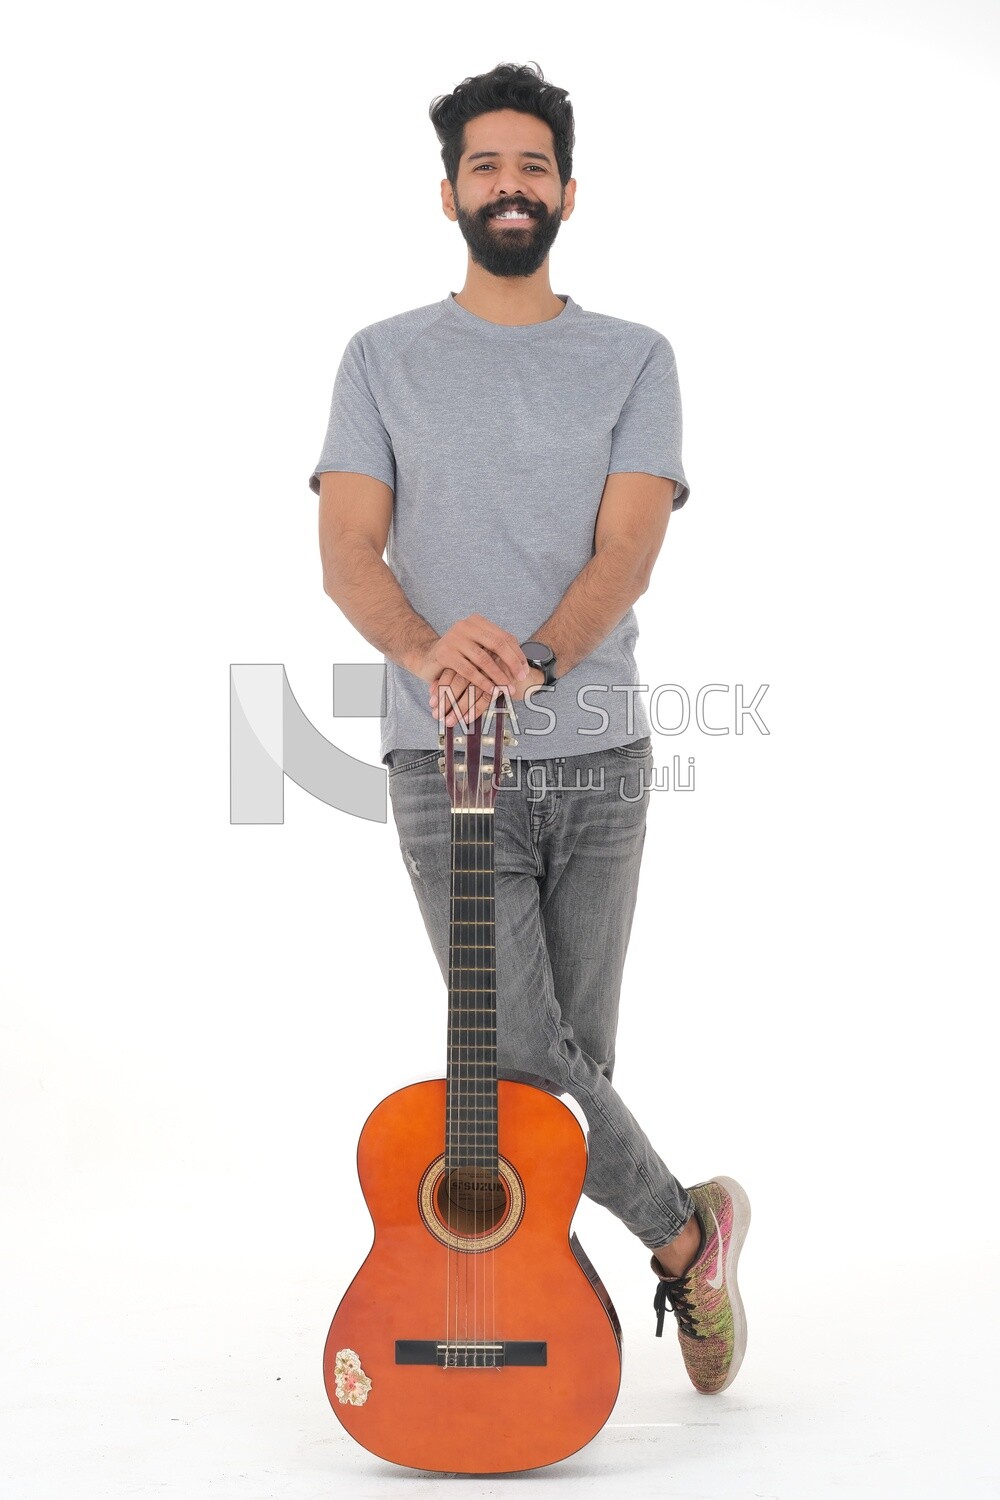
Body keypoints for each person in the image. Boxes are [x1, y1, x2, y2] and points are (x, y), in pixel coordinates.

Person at [308, 61, 749, 1395]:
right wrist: (434, 649)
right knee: (517, 1054)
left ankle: (542, 1327)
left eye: (533, 166)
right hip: (443, 758)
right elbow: (346, 548)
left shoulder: (633, 356)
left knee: (570, 1073)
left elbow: (629, 546)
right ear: (450, 192)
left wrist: (538, 658)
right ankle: (688, 1234)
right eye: (487, 166)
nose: (512, 186)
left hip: (600, 754)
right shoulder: (380, 357)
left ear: (567, 191)